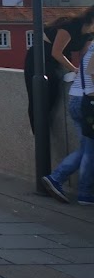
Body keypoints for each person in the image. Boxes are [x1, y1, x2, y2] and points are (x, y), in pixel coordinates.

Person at [23, 6, 94, 133]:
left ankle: (43, 131)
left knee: (53, 91)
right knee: (39, 94)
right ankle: (38, 133)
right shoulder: (71, 25)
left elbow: (84, 56)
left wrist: (84, 72)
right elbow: (56, 52)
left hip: (60, 58)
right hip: (40, 56)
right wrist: (74, 69)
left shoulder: (90, 34)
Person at [42, 41, 94, 205]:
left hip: (77, 99)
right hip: (88, 100)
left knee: (87, 147)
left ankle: (56, 178)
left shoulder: (90, 44)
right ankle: (84, 192)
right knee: (90, 150)